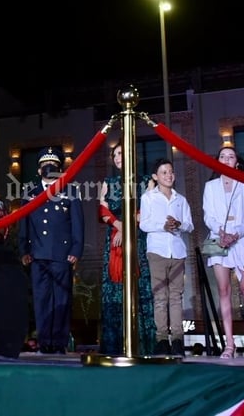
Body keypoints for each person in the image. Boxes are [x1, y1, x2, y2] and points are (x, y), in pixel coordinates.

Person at [18, 146, 84, 354]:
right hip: (37, 254)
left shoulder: (70, 191)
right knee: (41, 299)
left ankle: (59, 342)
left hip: (62, 254)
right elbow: (24, 224)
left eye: (53, 166)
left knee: (62, 299)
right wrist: (23, 249)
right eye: (45, 166)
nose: (49, 168)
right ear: (39, 171)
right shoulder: (30, 193)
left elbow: (78, 224)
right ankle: (45, 341)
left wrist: (76, 249)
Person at [202, 146, 244, 359]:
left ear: (237, 161)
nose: (226, 159)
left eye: (231, 156)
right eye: (222, 156)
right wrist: (221, 231)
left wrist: (235, 233)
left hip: (243, 239)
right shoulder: (210, 187)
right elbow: (207, 215)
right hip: (219, 240)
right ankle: (229, 343)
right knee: (223, 290)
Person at [97, 142, 156, 356]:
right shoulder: (108, 182)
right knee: (115, 289)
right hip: (114, 238)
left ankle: (141, 343)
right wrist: (118, 225)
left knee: (138, 286)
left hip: (137, 239)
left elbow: (147, 209)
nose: (119, 157)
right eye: (116, 154)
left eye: (123, 153)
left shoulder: (146, 181)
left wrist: (127, 227)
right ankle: (115, 345)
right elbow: (102, 209)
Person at [139, 157, 194, 356]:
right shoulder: (148, 198)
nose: (169, 175)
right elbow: (143, 224)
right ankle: (162, 338)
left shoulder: (181, 199)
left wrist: (179, 224)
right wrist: (162, 226)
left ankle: (178, 339)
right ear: (155, 176)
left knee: (176, 297)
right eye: (164, 172)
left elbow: (190, 225)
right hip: (157, 251)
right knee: (160, 297)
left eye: (171, 172)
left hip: (178, 251)